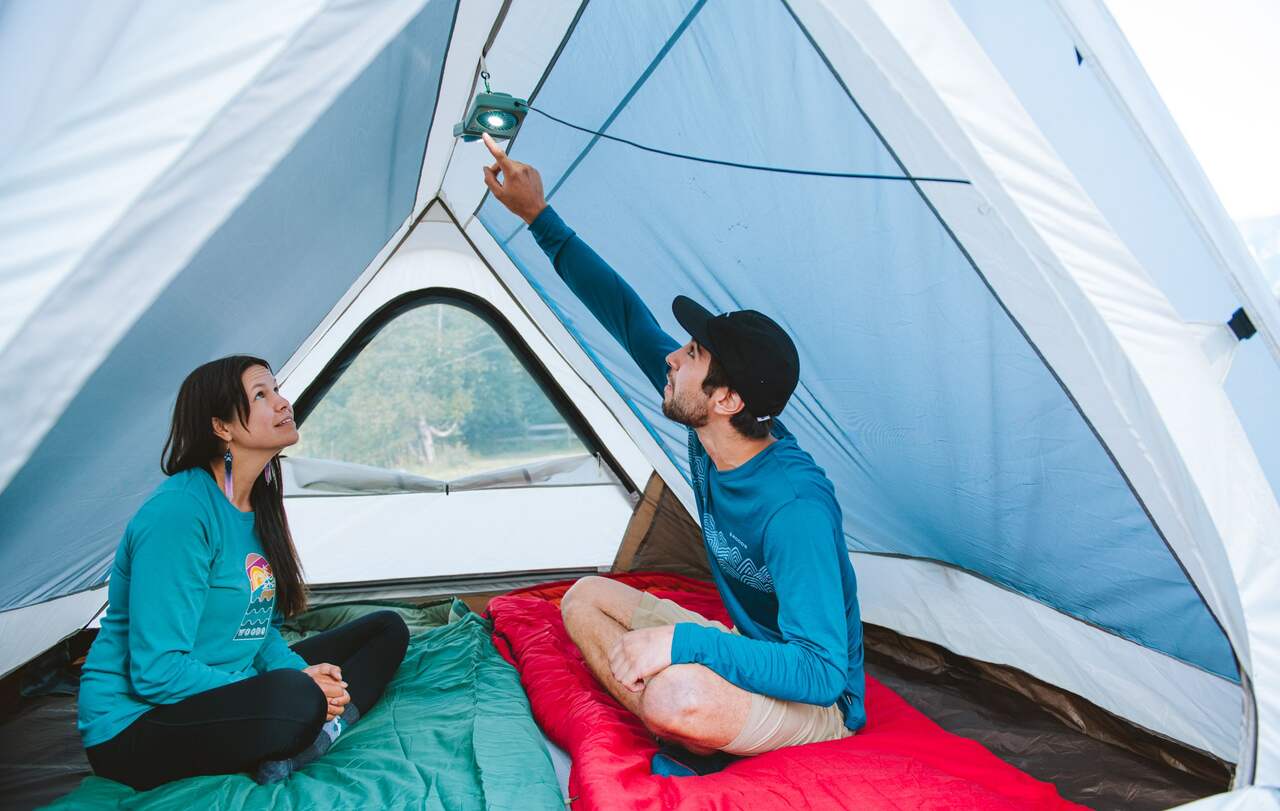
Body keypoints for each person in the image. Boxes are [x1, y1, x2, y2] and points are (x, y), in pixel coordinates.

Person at [481, 134, 865, 775]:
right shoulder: (705, 429)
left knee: (678, 692)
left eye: (691, 355)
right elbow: (627, 316)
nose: (671, 356)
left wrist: (681, 643)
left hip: (819, 704)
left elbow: (822, 672)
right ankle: (688, 720)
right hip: (748, 653)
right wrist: (539, 218)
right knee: (584, 598)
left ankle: (686, 717)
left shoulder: (796, 508)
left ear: (726, 400)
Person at [77, 356, 410, 790]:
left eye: (277, 389)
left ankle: (315, 735)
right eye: (261, 395)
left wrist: (300, 672)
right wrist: (292, 683)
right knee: (296, 697)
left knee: (386, 629)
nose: (282, 402)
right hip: (137, 725)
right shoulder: (180, 515)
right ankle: (303, 728)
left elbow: (257, 631)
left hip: (226, 686)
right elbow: (157, 671)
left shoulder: (257, 504)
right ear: (222, 427)